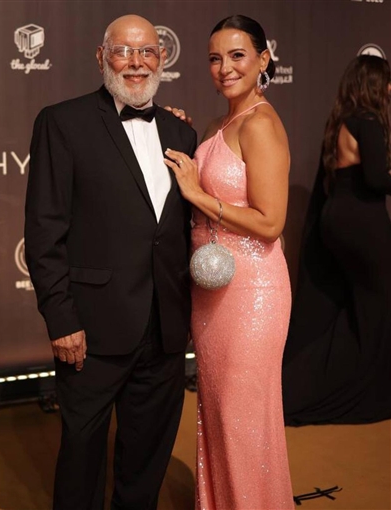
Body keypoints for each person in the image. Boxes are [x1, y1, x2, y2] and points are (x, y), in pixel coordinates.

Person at [24, 14, 196, 510]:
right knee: (81, 457)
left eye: (147, 51)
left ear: (162, 59)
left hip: (164, 327)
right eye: (123, 51)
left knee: (146, 460)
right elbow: (44, 231)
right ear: (102, 57)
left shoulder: (181, 133)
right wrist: (61, 320)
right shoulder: (62, 122)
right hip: (91, 330)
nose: (136, 62)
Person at [164, 14, 294, 510]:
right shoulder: (220, 123)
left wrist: (199, 194)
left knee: (243, 423)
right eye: (215, 58)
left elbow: (270, 222)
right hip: (212, 291)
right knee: (218, 414)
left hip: (251, 294)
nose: (225, 68)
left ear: (263, 60)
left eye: (237, 56)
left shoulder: (261, 124)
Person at [283, 55, 391, 426]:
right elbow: (377, 180)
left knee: (357, 308)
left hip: (337, 220)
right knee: (378, 310)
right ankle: (366, 390)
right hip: (363, 223)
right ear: (374, 84)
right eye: (387, 81)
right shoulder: (369, 120)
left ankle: (331, 381)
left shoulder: (341, 120)